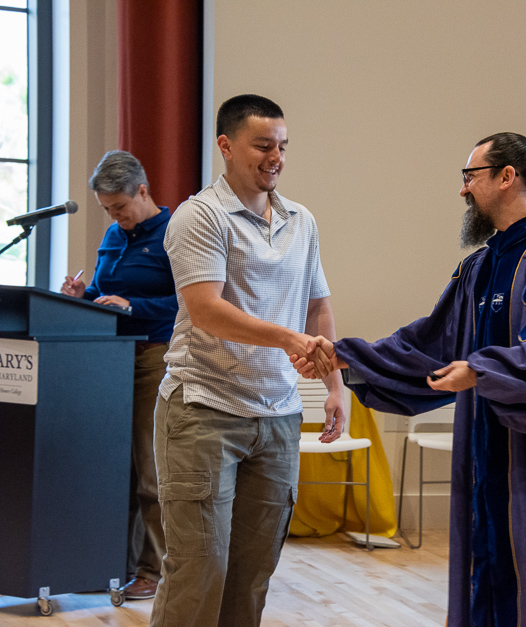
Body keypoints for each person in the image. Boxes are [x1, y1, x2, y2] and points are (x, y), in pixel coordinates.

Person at [294, 132, 526, 627]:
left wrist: (481, 371)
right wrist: (343, 356)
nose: (462, 191)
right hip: (491, 466)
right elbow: (429, 346)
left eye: (470, 177)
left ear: (508, 177)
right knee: (490, 587)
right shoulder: (481, 266)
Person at [150, 94, 342, 627]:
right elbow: (208, 311)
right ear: (226, 146)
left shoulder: (301, 220)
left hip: (277, 416)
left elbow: (318, 303)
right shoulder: (200, 216)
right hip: (203, 412)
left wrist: (334, 388)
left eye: (281, 146)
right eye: (262, 145)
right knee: (199, 569)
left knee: (253, 571)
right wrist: (289, 340)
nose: (274, 156)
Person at [60, 150, 177, 600]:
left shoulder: (173, 234)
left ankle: (153, 570)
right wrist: (82, 294)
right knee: (113, 468)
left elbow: (190, 303)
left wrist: (135, 307)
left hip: (155, 355)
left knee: (149, 470)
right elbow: (107, 293)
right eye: (108, 210)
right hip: (108, 358)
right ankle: (114, 565)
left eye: (120, 208)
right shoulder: (112, 235)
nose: (115, 217)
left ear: (143, 191)